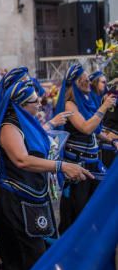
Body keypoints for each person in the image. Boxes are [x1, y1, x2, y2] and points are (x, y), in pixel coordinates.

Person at [0, 79, 92, 270]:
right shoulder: (9, 126)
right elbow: (22, 159)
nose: (41, 104)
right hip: (15, 203)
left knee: (38, 258)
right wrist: (61, 166)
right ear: (21, 105)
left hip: (32, 198)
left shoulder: (26, 123)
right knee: (23, 263)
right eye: (35, 101)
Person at [55, 64, 115, 233]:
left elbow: (95, 130)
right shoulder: (70, 105)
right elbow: (86, 128)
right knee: (79, 208)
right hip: (78, 163)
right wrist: (103, 107)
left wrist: (112, 141)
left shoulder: (85, 102)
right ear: (77, 83)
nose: (89, 83)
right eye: (85, 80)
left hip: (93, 161)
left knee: (97, 202)